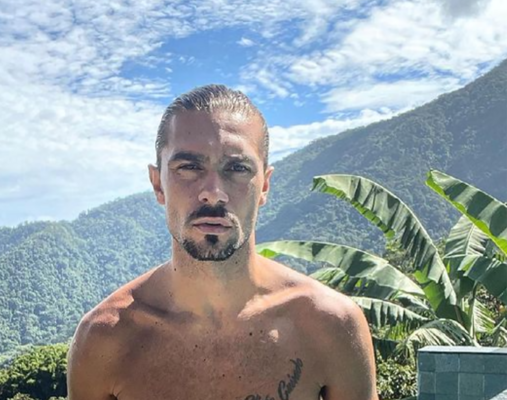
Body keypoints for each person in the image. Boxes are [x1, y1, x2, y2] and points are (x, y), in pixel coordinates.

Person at [67, 84, 378, 400]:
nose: (213, 192)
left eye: (237, 168)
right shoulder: (105, 339)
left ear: (265, 185)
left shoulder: (329, 325)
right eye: (189, 167)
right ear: (158, 183)